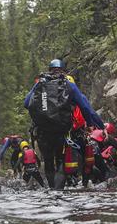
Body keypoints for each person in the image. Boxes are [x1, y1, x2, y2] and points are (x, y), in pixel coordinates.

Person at [24, 58, 107, 189]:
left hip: (42, 131)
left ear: (50, 70)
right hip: (61, 131)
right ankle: (58, 192)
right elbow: (85, 107)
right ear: (63, 70)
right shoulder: (68, 84)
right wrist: (91, 124)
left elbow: (26, 103)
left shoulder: (40, 83)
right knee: (61, 161)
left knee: (49, 162)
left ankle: (51, 190)